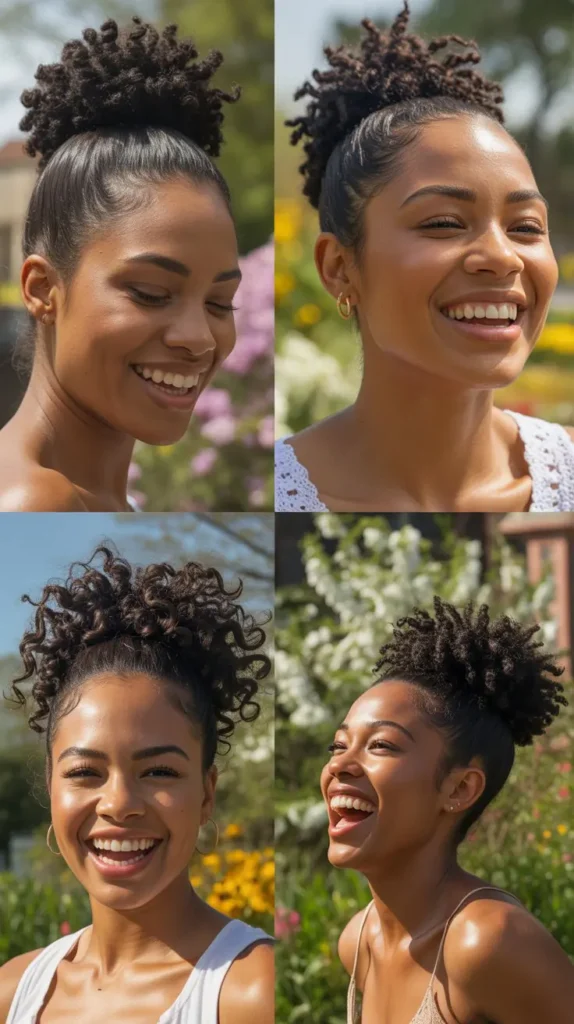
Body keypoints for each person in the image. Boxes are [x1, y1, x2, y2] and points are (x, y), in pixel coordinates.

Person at [275, 2, 574, 512]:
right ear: (339, 267)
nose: (503, 257)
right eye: (443, 223)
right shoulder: (275, 498)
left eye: (526, 227)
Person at [0, 546, 274, 1023]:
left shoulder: (251, 994)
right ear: (50, 788)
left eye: (159, 772)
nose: (120, 804)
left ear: (207, 793)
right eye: (85, 773)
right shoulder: (12, 994)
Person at [0, 18, 243, 512]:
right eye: (151, 292)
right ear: (43, 288)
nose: (199, 338)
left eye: (221, 302)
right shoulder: (35, 503)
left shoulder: (86, 500)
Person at [321, 597, 574, 1022]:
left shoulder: (489, 941)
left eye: (381, 745)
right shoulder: (358, 942)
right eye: (339, 745)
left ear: (459, 788)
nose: (338, 766)